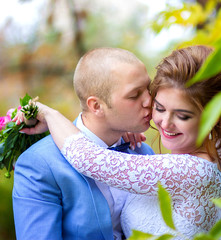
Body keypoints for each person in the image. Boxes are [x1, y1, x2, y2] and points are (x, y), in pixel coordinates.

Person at [17, 45, 221, 238]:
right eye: (160, 107)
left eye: (183, 115)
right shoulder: (41, 163)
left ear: (213, 120)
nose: (163, 122)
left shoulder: (192, 170)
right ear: (96, 105)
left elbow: (88, 159)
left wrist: (50, 114)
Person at [12, 47, 154, 240]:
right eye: (134, 95)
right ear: (96, 106)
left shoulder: (143, 152)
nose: (149, 101)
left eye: (149, 88)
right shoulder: (39, 164)